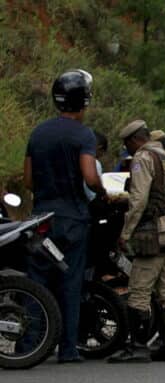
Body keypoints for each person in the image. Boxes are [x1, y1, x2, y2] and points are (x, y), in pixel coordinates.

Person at [23, 69, 107, 364]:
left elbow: (29, 180)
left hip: (41, 220)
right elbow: (89, 174)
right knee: (71, 282)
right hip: (73, 220)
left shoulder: (38, 132)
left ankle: (30, 345)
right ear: (83, 101)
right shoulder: (83, 134)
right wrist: (101, 190)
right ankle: (68, 349)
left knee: (37, 281)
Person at [108, 120, 165, 363]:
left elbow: (138, 200)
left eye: (127, 145)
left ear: (135, 140)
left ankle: (138, 347)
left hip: (155, 231)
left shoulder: (144, 158)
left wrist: (125, 234)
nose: (128, 150)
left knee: (139, 289)